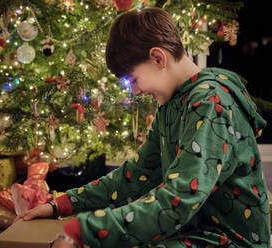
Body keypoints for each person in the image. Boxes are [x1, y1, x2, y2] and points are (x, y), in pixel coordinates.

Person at [14, 8, 271, 248]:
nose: (135, 91)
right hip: (192, 229)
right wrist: (62, 204)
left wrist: (86, 230)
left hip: (228, 240)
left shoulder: (210, 103)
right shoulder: (173, 103)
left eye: (133, 80)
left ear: (158, 58)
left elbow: (179, 199)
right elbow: (137, 174)